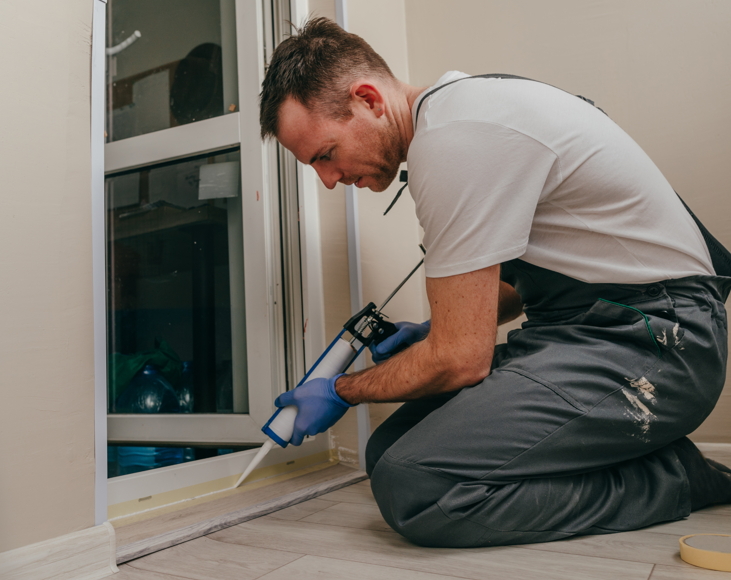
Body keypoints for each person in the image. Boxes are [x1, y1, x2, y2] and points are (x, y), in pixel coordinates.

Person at [259, 17, 731, 548]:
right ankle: (625, 447)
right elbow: (534, 283)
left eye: (325, 154)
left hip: (661, 341)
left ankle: (672, 478)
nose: (327, 180)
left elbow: (461, 359)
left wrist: (342, 391)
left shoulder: (455, 140)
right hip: (591, 328)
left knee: (415, 485)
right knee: (390, 448)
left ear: (369, 99)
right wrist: (437, 329)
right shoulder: (464, 111)